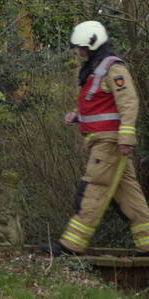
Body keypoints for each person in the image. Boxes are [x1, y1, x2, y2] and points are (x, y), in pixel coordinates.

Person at [43, 21, 149, 256]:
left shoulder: (113, 68)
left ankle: (71, 245)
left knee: (93, 189)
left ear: (93, 44)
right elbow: (101, 105)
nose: (79, 52)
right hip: (105, 141)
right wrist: (78, 115)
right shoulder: (96, 69)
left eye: (81, 48)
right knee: (130, 195)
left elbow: (129, 102)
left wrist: (126, 138)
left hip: (109, 143)